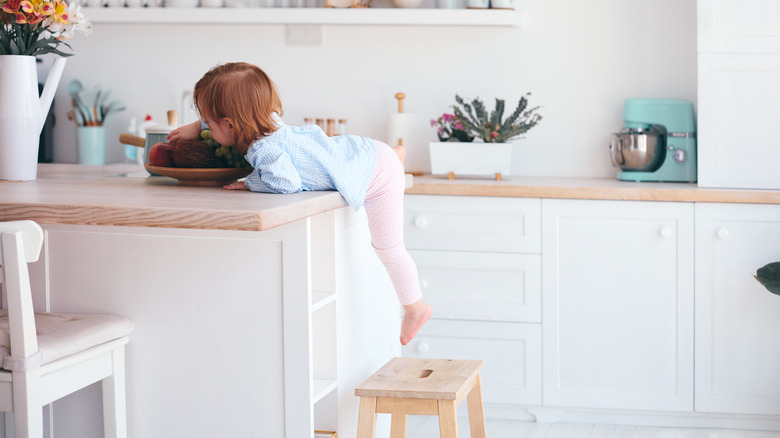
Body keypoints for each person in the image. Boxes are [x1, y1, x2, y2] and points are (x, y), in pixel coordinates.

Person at [168, 62, 431, 346]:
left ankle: (415, 308)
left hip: (378, 177)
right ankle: (395, 155)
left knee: (389, 248)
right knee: (355, 154)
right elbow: (237, 117)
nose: (205, 125)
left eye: (208, 119)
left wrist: (250, 182)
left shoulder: (262, 149)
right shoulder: (270, 124)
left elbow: (286, 183)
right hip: (368, 150)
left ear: (230, 124)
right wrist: (198, 126)